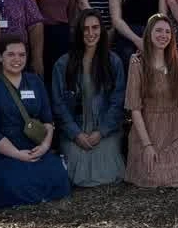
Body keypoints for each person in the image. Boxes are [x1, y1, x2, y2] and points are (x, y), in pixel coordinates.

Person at [0, 35, 70, 207]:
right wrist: (17, 154)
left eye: (22, 55)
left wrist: (45, 146)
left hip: (34, 147)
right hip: (3, 152)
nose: (17, 59)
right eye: (11, 54)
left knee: (57, 176)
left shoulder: (35, 81)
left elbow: (47, 119)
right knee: (13, 181)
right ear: (0, 57)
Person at [50, 11, 126, 187]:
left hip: (104, 130)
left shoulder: (113, 62)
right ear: (78, 32)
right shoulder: (63, 64)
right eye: (85, 29)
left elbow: (117, 102)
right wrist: (76, 134)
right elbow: (58, 104)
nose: (91, 33)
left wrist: (101, 132)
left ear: (102, 30)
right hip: (75, 130)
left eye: (95, 28)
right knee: (75, 168)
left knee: (109, 168)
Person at [125, 15, 178, 187]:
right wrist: (147, 145)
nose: (163, 35)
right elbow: (134, 108)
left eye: (167, 31)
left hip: (174, 129)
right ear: (149, 33)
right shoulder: (137, 64)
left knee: (177, 176)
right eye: (158, 30)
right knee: (154, 177)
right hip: (147, 128)